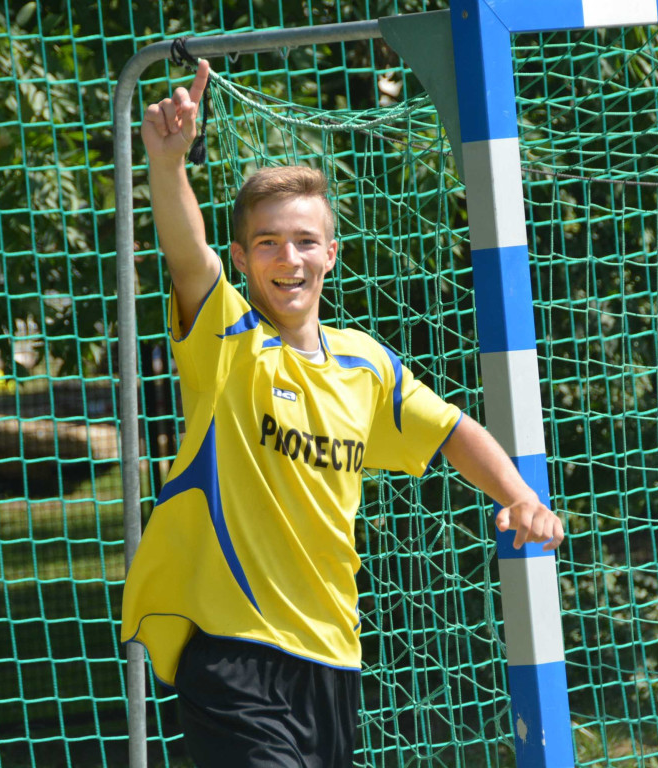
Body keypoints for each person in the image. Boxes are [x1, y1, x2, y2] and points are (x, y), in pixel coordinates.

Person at [121, 59, 565, 768]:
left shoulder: (367, 366)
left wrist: (521, 499)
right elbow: (186, 254)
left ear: (332, 253)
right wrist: (169, 164)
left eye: (303, 241)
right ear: (242, 257)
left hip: (332, 660)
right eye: (266, 242)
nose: (287, 258)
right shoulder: (228, 342)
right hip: (232, 654)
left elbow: (452, 430)